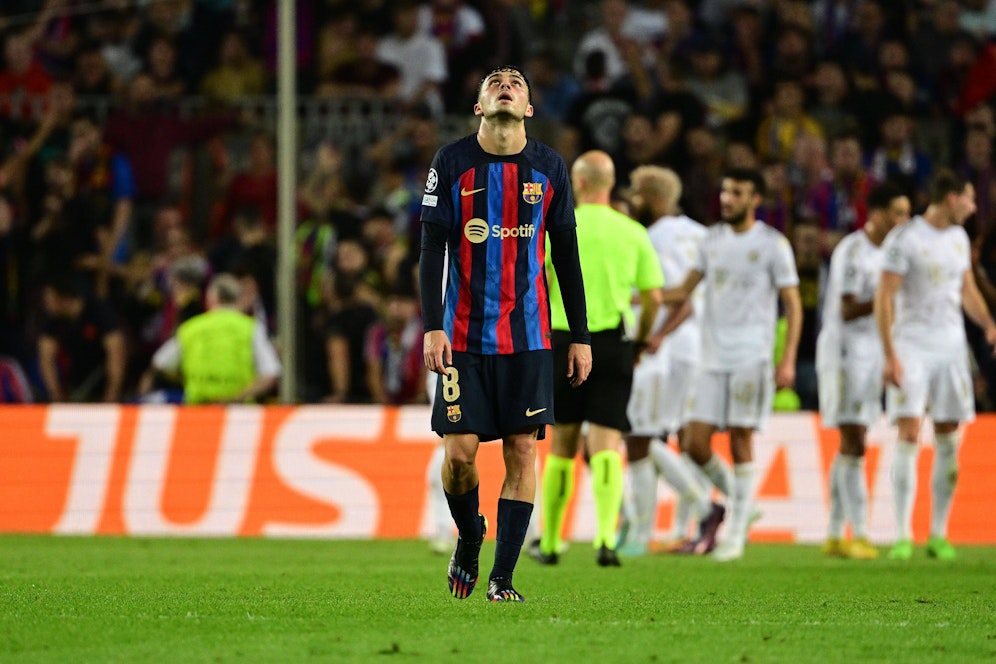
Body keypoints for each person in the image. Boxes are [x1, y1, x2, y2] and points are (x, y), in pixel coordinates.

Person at [419, 65, 591, 602]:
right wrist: (431, 325)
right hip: (463, 338)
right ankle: (470, 536)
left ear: (528, 108)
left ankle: (502, 577)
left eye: (516, 82)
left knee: (522, 451)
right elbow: (430, 252)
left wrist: (580, 335)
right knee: (461, 455)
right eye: (494, 81)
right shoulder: (451, 162)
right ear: (479, 106)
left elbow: (565, 254)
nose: (505, 84)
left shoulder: (548, 167)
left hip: (530, 338)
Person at [660, 167, 802, 561]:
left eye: (736, 193)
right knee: (693, 441)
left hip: (751, 356)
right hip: (711, 356)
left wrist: (786, 356)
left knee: (741, 440)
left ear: (755, 199)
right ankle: (744, 504)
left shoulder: (773, 245)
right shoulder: (712, 240)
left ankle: (736, 534)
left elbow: (792, 305)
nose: (727, 199)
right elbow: (683, 291)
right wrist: (637, 298)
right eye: (724, 192)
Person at [530, 150, 662, 568]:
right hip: (612, 342)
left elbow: (538, 281)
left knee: (563, 444)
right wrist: (640, 342)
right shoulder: (633, 231)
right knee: (606, 441)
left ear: (580, 183)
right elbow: (654, 297)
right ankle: (606, 538)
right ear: (610, 182)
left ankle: (550, 542)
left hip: (564, 339)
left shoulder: (554, 227)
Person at [874, 170, 996, 561]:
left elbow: (966, 291)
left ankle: (939, 534)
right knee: (909, 431)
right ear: (950, 198)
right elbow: (884, 296)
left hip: (951, 348)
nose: (974, 206)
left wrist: (990, 323)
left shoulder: (959, 238)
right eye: (969, 198)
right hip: (911, 345)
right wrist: (890, 353)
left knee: (948, 434)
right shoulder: (905, 238)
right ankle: (901, 535)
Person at [620, 165, 724, 556]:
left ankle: (703, 507)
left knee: (640, 435)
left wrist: (651, 326)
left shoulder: (654, 237)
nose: (632, 200)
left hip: (665, 348)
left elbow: (678, 296)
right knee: (662, 435)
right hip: (700, 346)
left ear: (653, 198)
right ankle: (686, 523)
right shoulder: (700, 232)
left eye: (636, 193)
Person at [816, 182, 911, 560]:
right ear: (877, 213)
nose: (904, 221)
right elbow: (847, 309)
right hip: (844, 354)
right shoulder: (856, 251)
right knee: (854, 441)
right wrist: (886, 299)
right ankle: (861, 533)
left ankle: (835, 533)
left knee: (850, 444)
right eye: (898, 213)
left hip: (869, 356)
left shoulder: (890, 252)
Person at [149, 273, 281, 404]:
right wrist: (237, 397)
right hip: (238, 414)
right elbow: (270, 374)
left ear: (211, 299)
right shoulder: (251, 328)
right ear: (238, 299)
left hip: (198, 414)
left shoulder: (190, 328)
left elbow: (160, 363)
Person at [37, 274, 127, 403]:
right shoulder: (53, 318)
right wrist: (56, 395)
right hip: (77, 386)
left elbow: (116, 353)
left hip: (105, 383)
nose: (45, 303)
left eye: (49, 298)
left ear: (65, 298)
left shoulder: (98, 310)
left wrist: (111, 396)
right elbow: (45, 358)